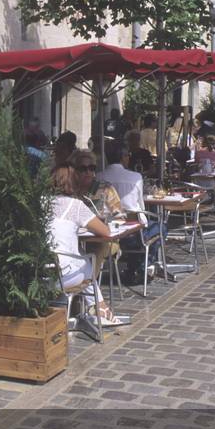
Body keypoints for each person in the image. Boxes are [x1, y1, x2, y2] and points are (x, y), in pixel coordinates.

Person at [48, 162, 124, 333]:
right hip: (65, 277)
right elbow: (105, 231)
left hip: (39, 276)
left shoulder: (40, 203)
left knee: (80, 254)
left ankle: (97, 308)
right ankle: (100, 309)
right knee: (91, 258)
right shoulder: (74, 206)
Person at [97, 141, 162, 284]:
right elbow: (141, 206)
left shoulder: (99, 177)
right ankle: (143, 265)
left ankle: (135, 266)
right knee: (160, 227)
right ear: (124, 157)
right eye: (128, 156)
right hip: (133, 230)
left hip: (107, 227)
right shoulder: (135, 177)